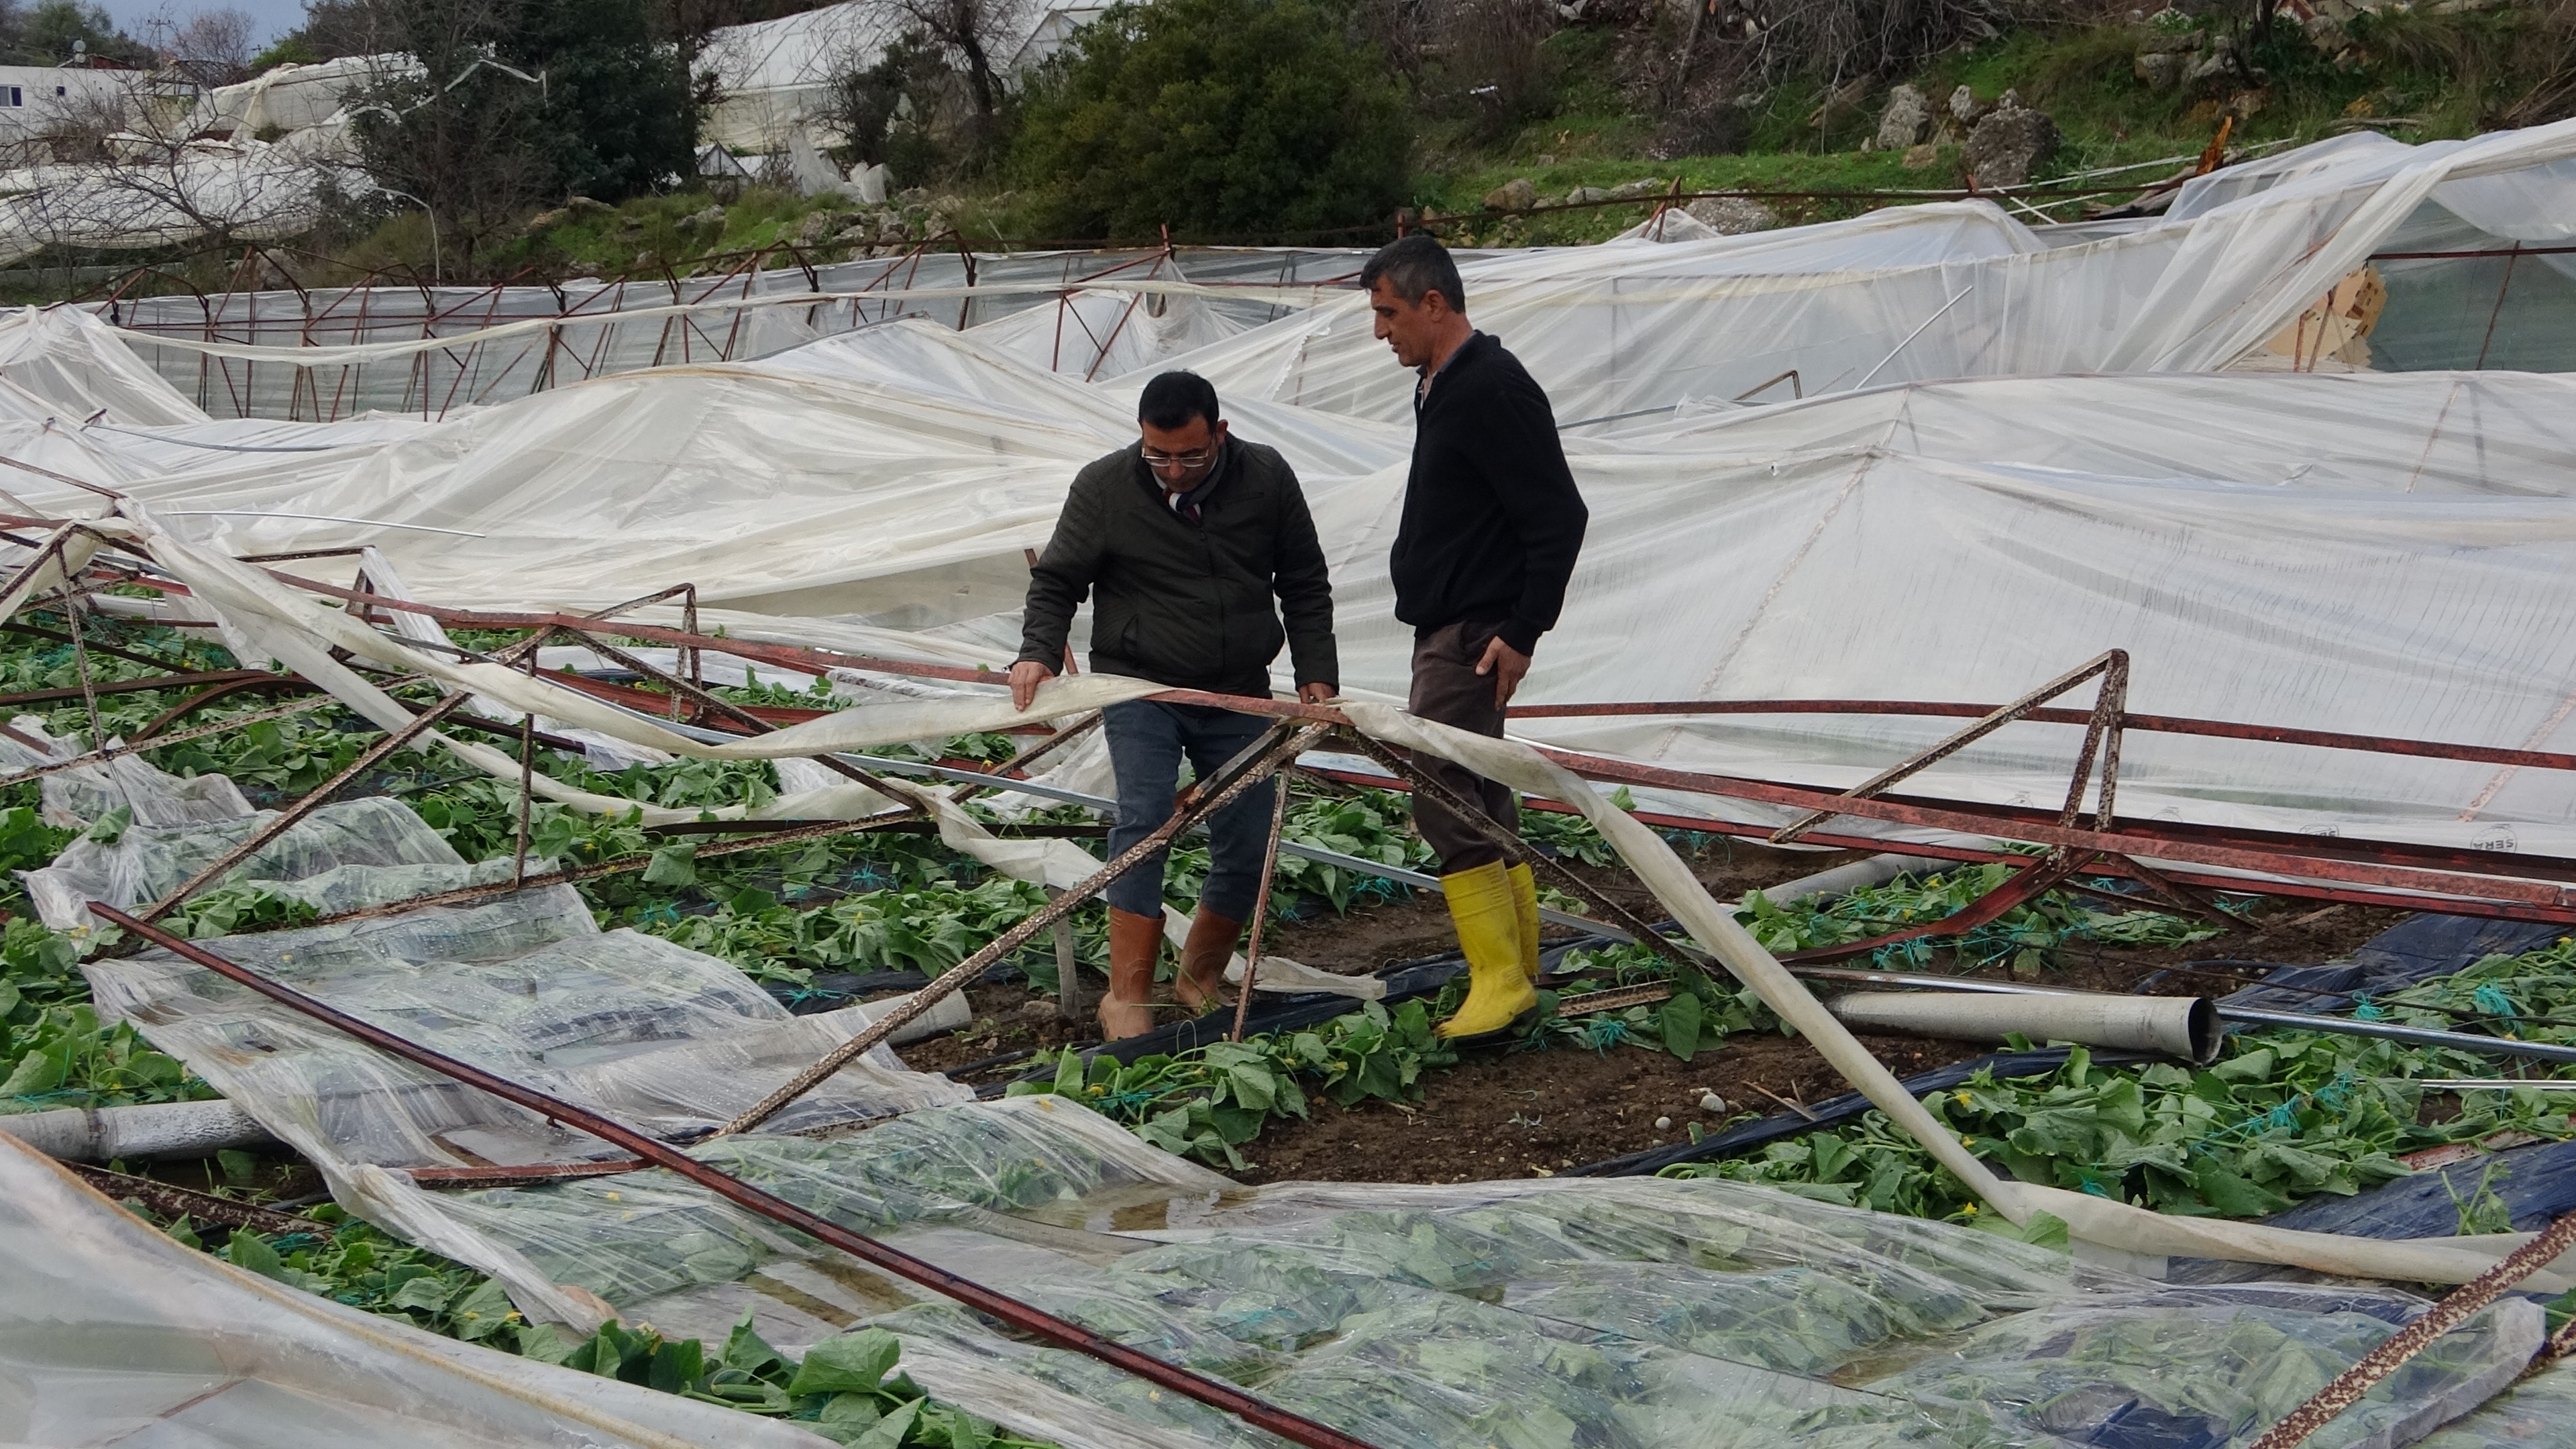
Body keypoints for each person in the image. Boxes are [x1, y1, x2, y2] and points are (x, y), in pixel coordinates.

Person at [1012, 370, 1338, 1040]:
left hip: (1238, 685)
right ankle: (1126, 995)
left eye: (1191, 455)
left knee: (1247, 832)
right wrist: (1037, 650)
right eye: (1158, 455)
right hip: (1143, 687)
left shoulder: (1266, 478)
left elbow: (1305, 581)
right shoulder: (1105, 486)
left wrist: (1317, 675)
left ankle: (1199, 976)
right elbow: (1057, 581)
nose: (1174, 470)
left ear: (1219, 432)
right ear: (1141, 438)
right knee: (1145, 819)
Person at [1360, 233, 1588, 1040]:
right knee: (1483, 789)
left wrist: (1523, 629)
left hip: (1473, 632)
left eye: (1388, 313)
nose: (1380, 330)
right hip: (1452, 623)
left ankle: (1498, 979)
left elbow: (1560, 515)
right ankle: (1520, 964)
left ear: (1434, 303)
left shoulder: (1491, 387)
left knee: (1445, 793)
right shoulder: (1441, 385)